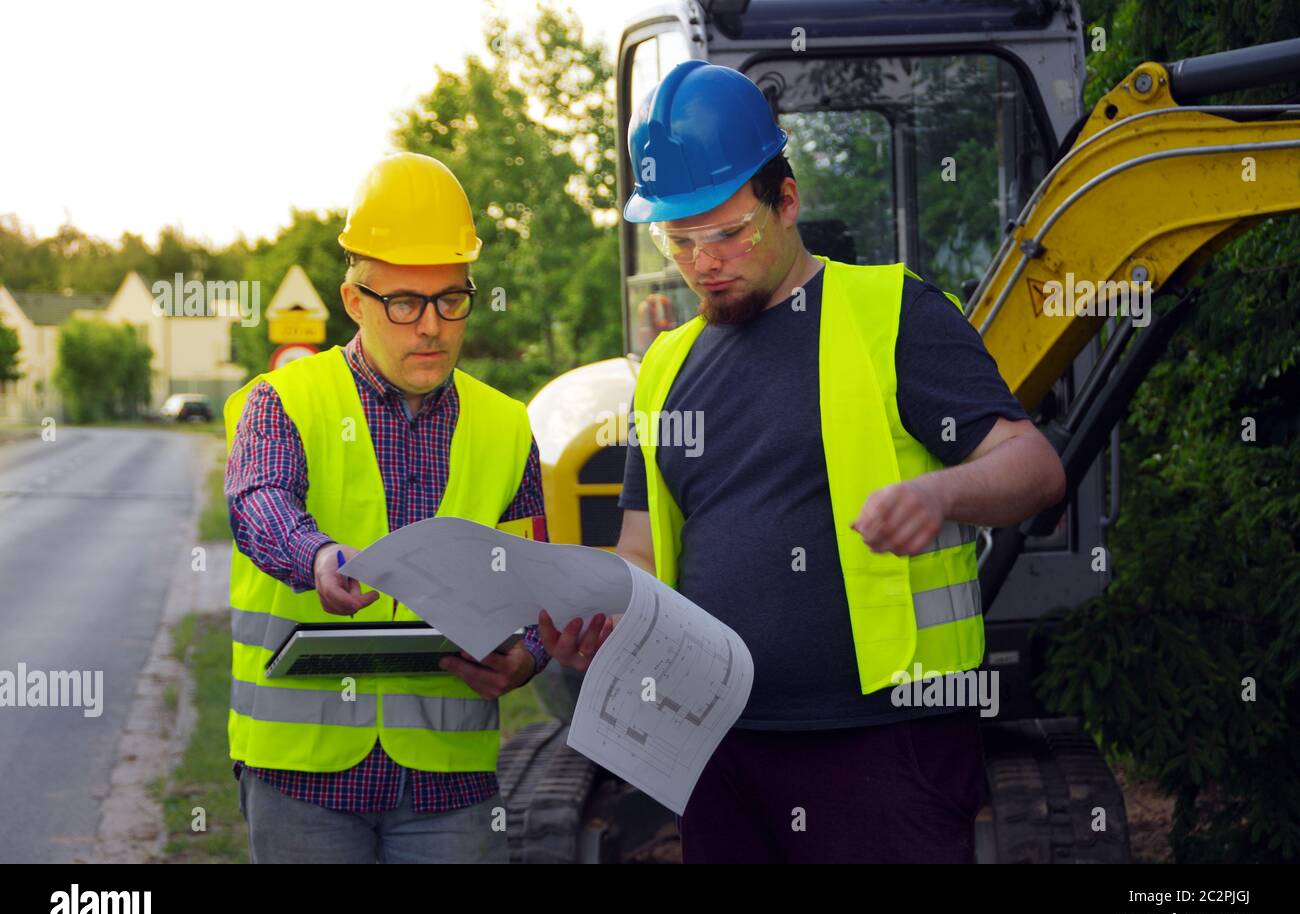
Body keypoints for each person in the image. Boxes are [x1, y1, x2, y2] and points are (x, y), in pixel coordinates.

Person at [542, 61, 1067, 863]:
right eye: (678, 240)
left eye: (727, 232)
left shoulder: (893, 312)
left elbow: (1033, 465)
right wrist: (605, 613)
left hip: (887, 745)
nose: (703, 261)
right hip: (717, 745)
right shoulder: (666, 365)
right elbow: (643, 550)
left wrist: (941, 491)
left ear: (787, 202)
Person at [224, 152, 548, 863]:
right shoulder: (284, 403)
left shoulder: (506, 427)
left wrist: (529, 653)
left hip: (448, 783)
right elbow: (259, 499)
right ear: (353, 300)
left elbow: (531, 578)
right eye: (403, 302)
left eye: (450, 299)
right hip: (303, 778)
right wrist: (316, 557)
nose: (429, 326)